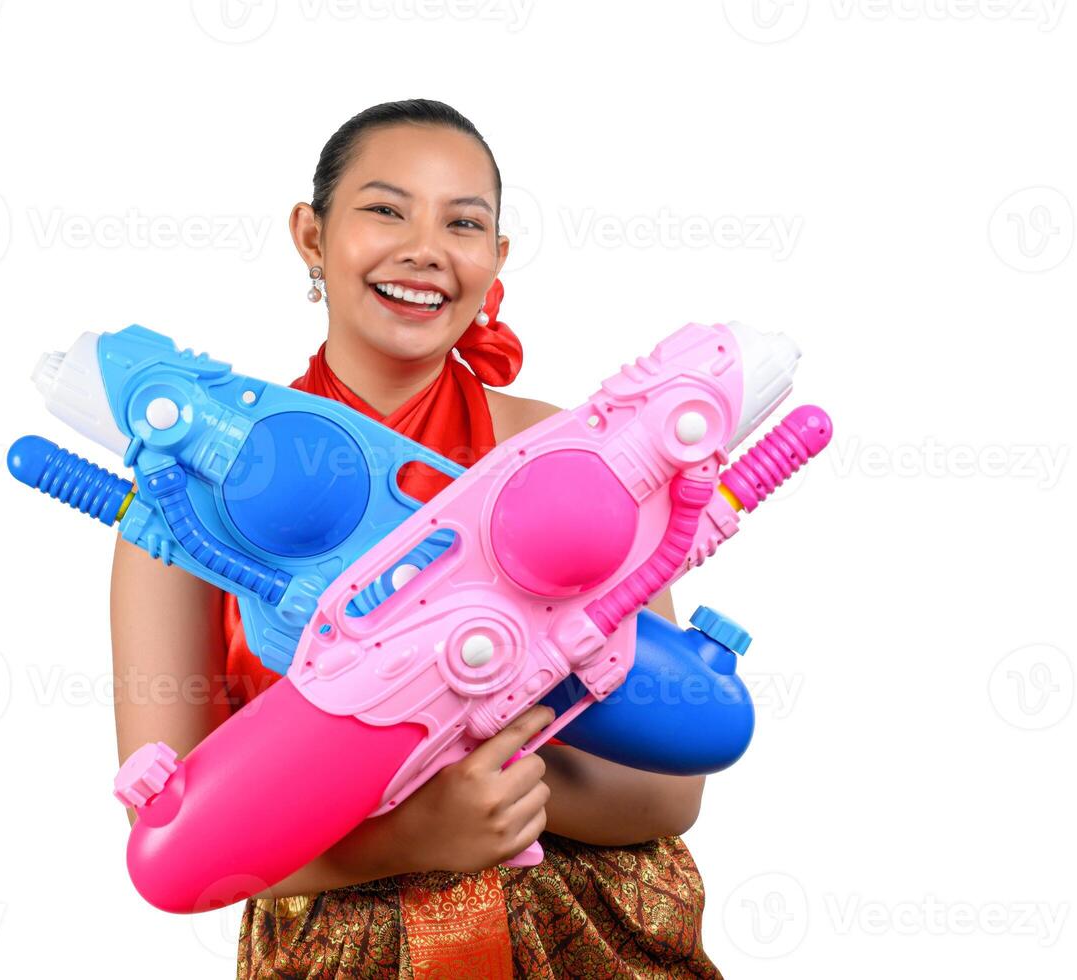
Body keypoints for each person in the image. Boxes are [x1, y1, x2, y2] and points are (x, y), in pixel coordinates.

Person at [110, 99, 721, 978]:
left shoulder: (571, 451)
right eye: (385, 209)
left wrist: (449, 762)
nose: (425, 248)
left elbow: (667, 790)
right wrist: (408, 834)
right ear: (311, 237)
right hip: (340, 950)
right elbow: (169, 829)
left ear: (495, 259)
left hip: (586, 929)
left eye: (462, 222)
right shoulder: (184, 493)